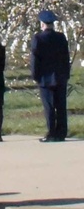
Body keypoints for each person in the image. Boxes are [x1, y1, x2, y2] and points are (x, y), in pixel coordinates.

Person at [31, 9, 70, 142]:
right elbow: (66, 58)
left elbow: (35, 59)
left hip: (45, 78)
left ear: (42, 24)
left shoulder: (38, 38)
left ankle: (51, 132)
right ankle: (61, 132)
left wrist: (35, 75)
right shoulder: (61, 37)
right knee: (61, 106)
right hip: (60, 76)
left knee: (49, 106)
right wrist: (66, 74)